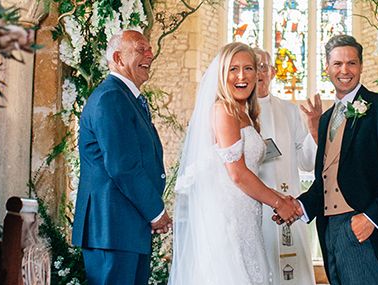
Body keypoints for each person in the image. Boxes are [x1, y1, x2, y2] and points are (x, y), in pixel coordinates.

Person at [168, 42, 302, 285]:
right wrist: (278, 203)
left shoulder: (244, 112)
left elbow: (247, 172)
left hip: (246, 218)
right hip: (227, 219)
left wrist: (283, 201)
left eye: (248, 68)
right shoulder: (224, 110)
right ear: (222, 74)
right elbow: (237, 174)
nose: (242, 76)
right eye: (233, 69)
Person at [291, 34, 378, 285]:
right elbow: (325, 179)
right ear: (327, 68)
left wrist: (370, 218)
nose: (344, 70)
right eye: (337, 64)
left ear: (360, 66)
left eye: (351, 63)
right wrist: (299, 207)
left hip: (362, 230)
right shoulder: (327, 118)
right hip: (330, 230)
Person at [72, 29, 171, 285]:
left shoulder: (126, 97)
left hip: (124, 227)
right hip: (111, 227)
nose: (150, 54)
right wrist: (156, 212)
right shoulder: (112, 97)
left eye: (149, 49)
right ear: (117, 57)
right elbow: (123, 166)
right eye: (141, 49)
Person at [256, 48, 321, 285]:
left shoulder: (289, 110)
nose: (259, 72)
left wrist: (314, 132)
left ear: (273, 72)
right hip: (252, 205)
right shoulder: (236, 110)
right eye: (253, 66)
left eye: (264, 66)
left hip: (287, 204)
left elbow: (307, 161)